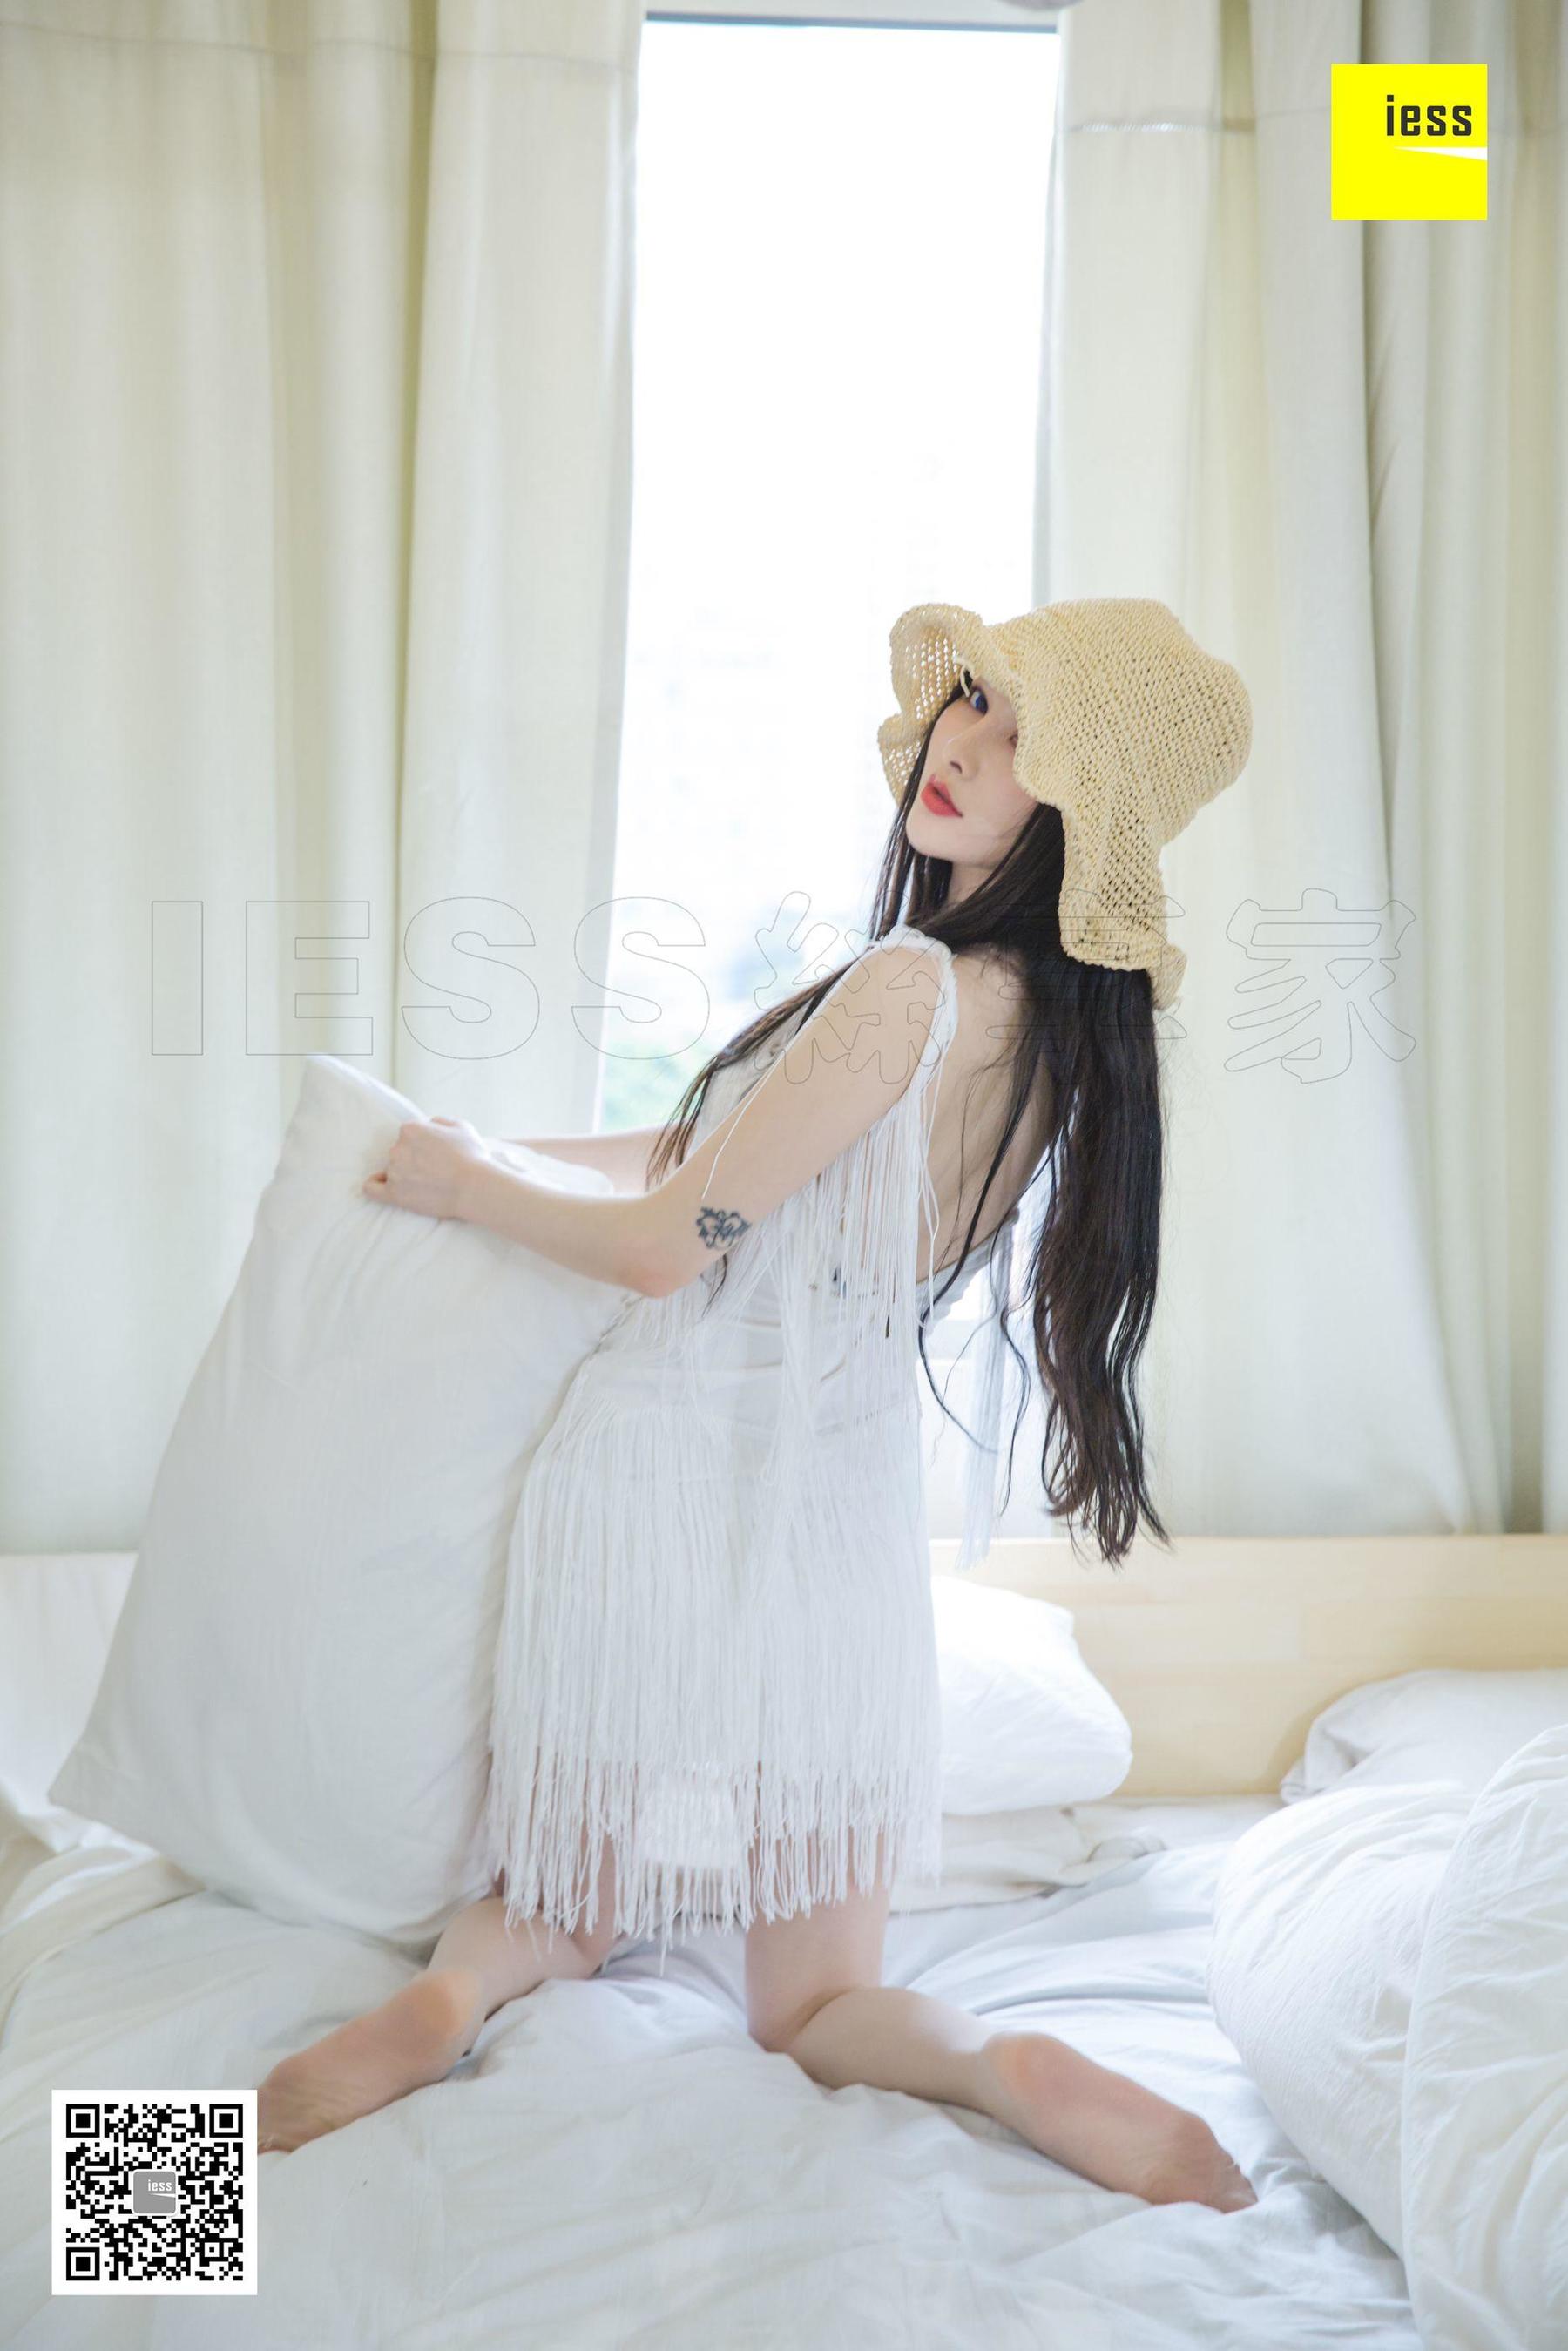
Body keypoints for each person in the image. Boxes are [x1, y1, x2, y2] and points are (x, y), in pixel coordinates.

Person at [257, 598, 1256, 2213]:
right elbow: (716, 1172)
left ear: (1082, 811)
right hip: (840, 1514)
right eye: (973, 701)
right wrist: (484, 1151)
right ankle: (995, 2065)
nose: (961, 744)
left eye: (1025, 740)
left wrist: (460, 1191)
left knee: (558, 1913)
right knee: (814, 2006)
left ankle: (439, 2009)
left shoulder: (907, 984)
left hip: (654, 1478)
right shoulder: (1054, 1035)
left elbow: (669, 1248)